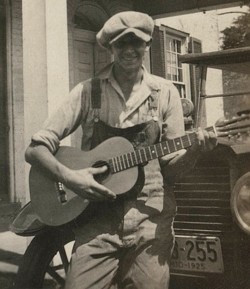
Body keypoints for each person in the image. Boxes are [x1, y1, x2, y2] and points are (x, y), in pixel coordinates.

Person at [25, 11, 217, 289]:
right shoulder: (87, 92)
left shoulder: (165, 93)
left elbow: (172, 173)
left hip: (150, 225)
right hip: (96, 225)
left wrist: (195, 151)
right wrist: (70, 177)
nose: (129, 50)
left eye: (136, 42)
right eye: (121, 43)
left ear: (147, 45)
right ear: (110, 48)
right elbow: (34, 150)